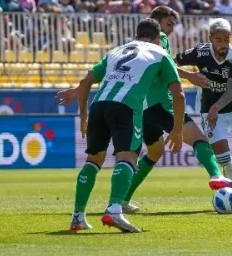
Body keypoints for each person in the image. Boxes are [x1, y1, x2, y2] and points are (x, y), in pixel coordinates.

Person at [57, 6, 232, 214]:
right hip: (160, 103)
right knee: (199, 139)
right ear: (157, 23)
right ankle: (215, 175)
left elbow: (105, 74)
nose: (171, 30)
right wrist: (190, 76)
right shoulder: (160, 40)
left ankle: (122, 200)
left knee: (154, 151)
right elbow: (167, 65)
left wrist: (77, 91)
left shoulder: (128, 48)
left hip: (141, 108)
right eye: (168, 24)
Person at [65, 18, 185, 233]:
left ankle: (78, 217)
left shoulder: (116, 51)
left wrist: (83, 116)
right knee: (128, 156)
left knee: (94, 159)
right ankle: (114, 209)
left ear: (137, 35)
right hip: (126, 107)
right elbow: (179, 94)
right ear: (158, 39)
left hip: (98, 106)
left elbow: (84, 83)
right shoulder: (160, 53)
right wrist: (177, 129)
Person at [174, 18, 232, 210]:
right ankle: (231, 197)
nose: (224, 44)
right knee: (224, 159)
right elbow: (169, 64)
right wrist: (189, 75)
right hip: (209, 110)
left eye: (227, 39)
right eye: (219, 40)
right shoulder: (200, 52)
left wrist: (216, 107)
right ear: (211, 38)